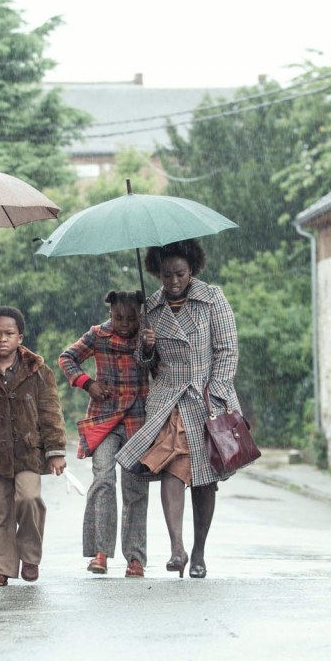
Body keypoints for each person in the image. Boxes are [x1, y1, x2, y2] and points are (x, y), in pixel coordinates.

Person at [116, 239, 241, 579]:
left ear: (193, 270)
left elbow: (227, 350)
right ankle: (177, 548)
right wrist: (146, 347)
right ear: (157, 273)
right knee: (172, 468)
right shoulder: (151, 308)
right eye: (166, 275)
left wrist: (216, 390)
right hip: (168, 398)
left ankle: (198, 551)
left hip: (206, 398)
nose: (173, 282)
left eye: (180, 274)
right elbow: (145, 363)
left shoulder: (213, 299)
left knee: (204, 480)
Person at [0, 306, 66, 587]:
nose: (2, 339)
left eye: (8, 334)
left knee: (29, 499)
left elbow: (51, 413)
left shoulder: (38, 371)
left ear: (20, 336)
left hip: (28, 452)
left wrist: (55, 451)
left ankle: (29, 557)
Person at [58, 291, 150, 577]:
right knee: (103, 480)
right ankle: (100, 553)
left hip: (138, 419)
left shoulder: (147, 336)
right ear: (110, 314)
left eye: (131, 317)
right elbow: (67, 358)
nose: (124, 323)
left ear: (139, 314)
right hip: (105, 418)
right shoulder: (97, 335)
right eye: (118, 317)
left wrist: (149, 349)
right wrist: (88, 383)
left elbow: (159, 369)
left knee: (135, 489)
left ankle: (135, 558)